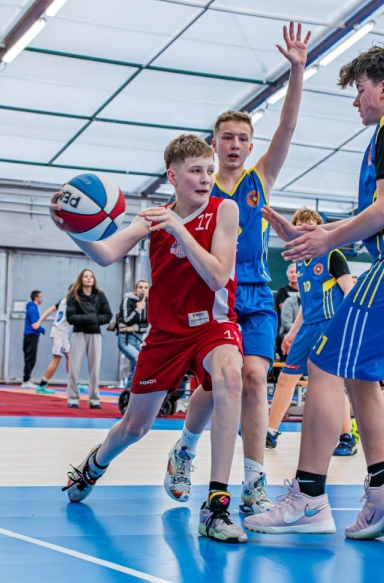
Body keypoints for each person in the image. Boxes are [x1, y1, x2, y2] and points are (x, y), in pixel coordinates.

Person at [243, 42, 384, 539]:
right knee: (361, 373)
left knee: (323, 365)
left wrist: (327, 239)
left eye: (360, 89)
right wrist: (314, 234)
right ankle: (383, 491)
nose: (356, 101)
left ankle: (308, 499)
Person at [53, 134, 246, 543]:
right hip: (166, 334)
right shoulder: (152, 218)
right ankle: (93, 465)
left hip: (212, 326)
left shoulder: (224, 210)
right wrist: (72, 228)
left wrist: (179, 229)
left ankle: (215, 505)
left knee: (230, 377)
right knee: (134, 427)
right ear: (172, 177)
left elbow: (218, 275)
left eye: (209, 170)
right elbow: (106, 254)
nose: (206, 178)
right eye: (195, 171)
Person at [164, 21, 311, 516]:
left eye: (242, 138)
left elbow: (287, 128)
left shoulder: (260, 179)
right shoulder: (198, 188)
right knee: (217, 385)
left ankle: (253, 480)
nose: (233, 144)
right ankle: (186, 449)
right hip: (214, 299)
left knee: (253, 380)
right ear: (213, 143)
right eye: (226, 137)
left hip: (257, 296)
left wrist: (297, 71)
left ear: (250, 146)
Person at [266, 208, 355, 457]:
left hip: (329, 325)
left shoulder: (333, 255)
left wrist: (344, 327)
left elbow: (349, 293)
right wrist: (292, 333)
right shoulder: (299, 264)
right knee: (286, 378)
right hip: (307, 328)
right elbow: (305, 304)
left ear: (319, 227)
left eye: (312, 223)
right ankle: (270, 432)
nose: (307, 228)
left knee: (332, 384)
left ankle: (346, 437)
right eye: (301, 224)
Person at [65, 269, 112, 409]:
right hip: (79, 333)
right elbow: (70, 317)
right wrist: (90, 318)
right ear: (81, 279)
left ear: (94, 279)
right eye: (86, 276)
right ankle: (73, 398)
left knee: (95, 369)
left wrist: (94, 320)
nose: (88, 278)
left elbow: (108, 315)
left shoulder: (100, 295)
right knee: (74, 368)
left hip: (95, 333)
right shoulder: (74, 295)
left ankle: (94, 399)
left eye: (91, 276)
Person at [34, 286, 73, 395]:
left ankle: (73, 383)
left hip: (61, 332)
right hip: (59, 332)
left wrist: (39, 322)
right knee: (57, 358)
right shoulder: (72, 302)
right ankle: (42, 385)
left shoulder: (63, 301)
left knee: (70, 356)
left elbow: (49, 310)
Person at [117, 279, 149, 388]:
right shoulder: (128, 299)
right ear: (136, 290)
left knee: (140, 363)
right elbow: (126, 320)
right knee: (138, 359)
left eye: (146, 288)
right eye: (140, 287)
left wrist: (134, 327)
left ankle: (132, 390)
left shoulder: (150, 303)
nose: (143, 290)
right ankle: (130, 389)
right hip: (126, 339)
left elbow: (147, 325)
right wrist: (138, 309)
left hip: (139, 339)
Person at [22, 290, 45, 389]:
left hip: (30, 336)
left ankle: (27, 378)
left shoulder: (33, 308)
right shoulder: (33, 309)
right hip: (31, 336)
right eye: (41, 297)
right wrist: (42, 330)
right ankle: (26, 380)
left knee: (30, 358)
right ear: (36, 298)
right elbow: (34, 324)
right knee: (30, 359)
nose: (42, 298)